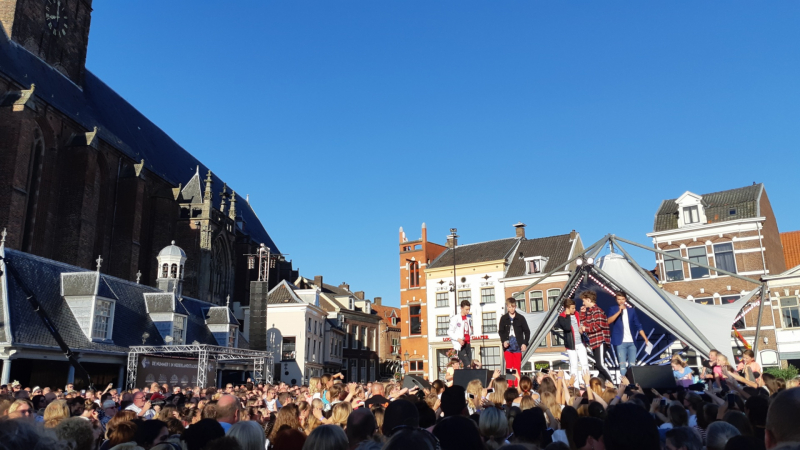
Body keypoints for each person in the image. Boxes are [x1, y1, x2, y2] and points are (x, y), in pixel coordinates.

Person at [607, 291, 650, 377]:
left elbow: (638, 325)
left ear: (625, 299)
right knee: (622, 365)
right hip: (620, 342)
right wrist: (619, 312)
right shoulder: (613, 309)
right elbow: (608, 321)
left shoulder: (631, 311)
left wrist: (645, 339)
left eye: (623, 299)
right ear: (616, 300)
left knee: (632, 365)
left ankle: (632, 382)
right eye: (619, 299)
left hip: (631, 342)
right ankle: (624, 382)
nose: (621, 301)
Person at [578, 290, 613, 383]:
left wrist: (585, 329)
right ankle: (601, 385)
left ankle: (613, 383)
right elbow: (586, 324)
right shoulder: (590, 312)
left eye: (584, 301)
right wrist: (582, 314)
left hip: (600, 340)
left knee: (600, 364)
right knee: (599, 365)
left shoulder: (597, 310)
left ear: (589, 300)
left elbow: (598, 326)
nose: (583, 303)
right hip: (595, 341)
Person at [499, 297, 530, 388]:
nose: (511, 309)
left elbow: (527, 331)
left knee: (517, 367)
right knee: (509, 366)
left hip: (517, 345)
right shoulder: (504, 318)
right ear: (507, 307)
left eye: (513, 307)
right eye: (510, 307)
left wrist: (525, 343)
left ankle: (517, 385)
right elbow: (501, 331)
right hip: (508, 345)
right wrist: (503, 341)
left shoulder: (521, 318)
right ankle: (510, 385)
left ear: (515, 307)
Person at [557, 298, 589, 385]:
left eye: (575, 308)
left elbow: (582, 322)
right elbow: (567, 327)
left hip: (580, 343)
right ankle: (575, 385)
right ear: (567, 308)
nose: (574, 310)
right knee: (574, 365)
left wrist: (582, 313)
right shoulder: (561, 317)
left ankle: (586, 383)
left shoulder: (577, 314)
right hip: (571, 344)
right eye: (572, 308)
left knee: (584, 364)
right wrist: (567, 315)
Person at [448, 300, 474, 369]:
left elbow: (468, 330)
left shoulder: (468, 318)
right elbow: (450, 332)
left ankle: (467, 376)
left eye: (469, 309)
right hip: (461, 345)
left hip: (468, 343)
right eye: (466, 309)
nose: (468, 311)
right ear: (461, 308)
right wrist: (458, 339)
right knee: (467, 364)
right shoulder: (455, 318)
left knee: (469, 365)